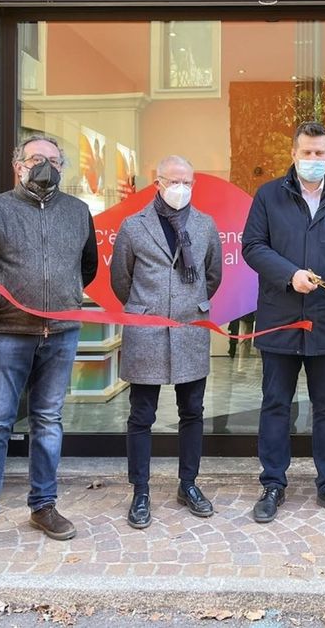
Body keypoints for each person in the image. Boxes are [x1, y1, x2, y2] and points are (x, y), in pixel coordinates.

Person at [0, 135, 98, 558]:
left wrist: (63, 295)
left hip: (61, 333)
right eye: (36, 159)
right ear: (18, 166)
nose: (45, 166)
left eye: (53, 160)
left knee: (48, 421)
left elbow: (87, 267)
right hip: (7, 334)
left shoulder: (78, 211)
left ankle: (43, 506)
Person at [242, 121, 325, 524]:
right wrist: (289, 274)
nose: (313, 159)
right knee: (276, 405)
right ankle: (272, 484)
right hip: (280, 316)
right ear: (294, 154)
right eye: (306, 152)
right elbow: (253, 246)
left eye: (319, 153)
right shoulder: (269, 195)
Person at [110, 155, 223, 529]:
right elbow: (121, 279)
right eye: (174, 181)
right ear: (157, 183)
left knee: (192, 411)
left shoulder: (205, 225)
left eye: (187, 182)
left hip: (190, 329)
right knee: (142, 415)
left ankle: (188, 484)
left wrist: (189, 304)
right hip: (147, 331)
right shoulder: (134, 225)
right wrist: (147, 307)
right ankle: (140, 491)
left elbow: (212, 275)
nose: (181, 188)